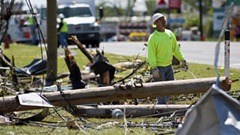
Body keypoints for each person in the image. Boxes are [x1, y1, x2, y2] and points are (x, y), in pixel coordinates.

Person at [147, 13, 188, 104]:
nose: (164, 21)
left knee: (171, 87)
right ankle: (162, 109)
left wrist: (182, 60)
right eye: (161, 19)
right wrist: (154, 68)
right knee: (161, 90)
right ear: (156, 23)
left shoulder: (170, 34)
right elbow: (151, 54)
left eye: (163, 19)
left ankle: (161, 106)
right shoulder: (153, 38)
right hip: (159, 68)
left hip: (169, 66)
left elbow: (175, 49)